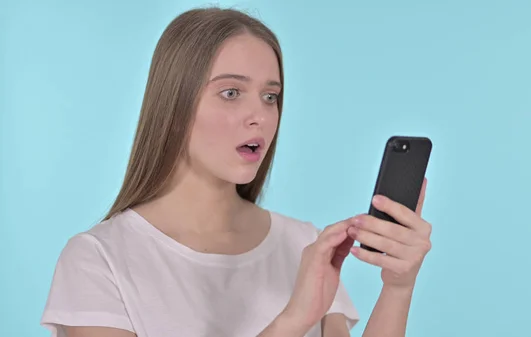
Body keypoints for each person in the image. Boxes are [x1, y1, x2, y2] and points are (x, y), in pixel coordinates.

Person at [40, 7, 432, 337]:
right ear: (174, 107)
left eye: (270, 97)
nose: (259, 116)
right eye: (231, 93)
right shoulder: (98, 259)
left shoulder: (304, 245)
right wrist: (292, 320)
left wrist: (398, 288)